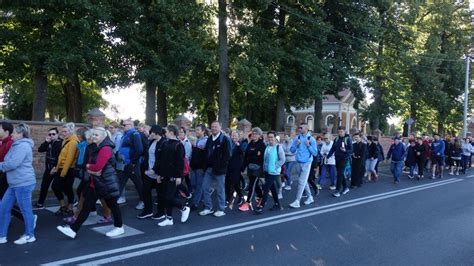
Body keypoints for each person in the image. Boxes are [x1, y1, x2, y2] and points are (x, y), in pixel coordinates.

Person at [57, 127, 124, 239]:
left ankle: (119, 227)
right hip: (95, 182)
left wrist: (89, 167)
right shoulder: (94, 147)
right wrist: (91, 168)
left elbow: (97, 166)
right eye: (93, 134)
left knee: (113, 205)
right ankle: (73, 230)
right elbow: (89, 165)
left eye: (96, 135)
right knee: (87, 206)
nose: (93, 137)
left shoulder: (106, 148)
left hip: (106, 183)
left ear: (103, 137)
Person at [0, 123, 37, 244]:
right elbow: (8, 161)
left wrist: (1, 165)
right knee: (4, 208)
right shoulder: (17, 145)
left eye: (15, 132)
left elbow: (12, 163)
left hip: (23, 183)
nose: (12, 134)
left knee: (25, 210)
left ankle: (29, 235)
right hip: (14, 183)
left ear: (21, 134)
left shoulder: (23, 146)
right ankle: (2, 236)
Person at [154, 124, 190, 226]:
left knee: (169, 197)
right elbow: (162, 161)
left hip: (174, 175)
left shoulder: (179, 145)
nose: (164, 133)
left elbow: (180, 162)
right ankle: (169, 218)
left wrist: (179, 176)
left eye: (166, 131)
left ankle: (184, 208)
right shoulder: (165, 143)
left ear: (171, 132)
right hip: (165, 174)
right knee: (165, 197)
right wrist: (160, 174)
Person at [199, 121, 232, 217]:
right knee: (205, 187)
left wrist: (221, 165)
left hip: (220, 170)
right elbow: (206, 153)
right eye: (212, 127)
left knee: (220, 189)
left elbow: (228, 155)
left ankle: (221, 209)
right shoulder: (209, 139)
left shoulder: (225, 139)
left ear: (220, 127)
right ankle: (208, 207)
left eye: (215, 127)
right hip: (209, 168)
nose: (213, 128)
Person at [137, 125, 167, 219]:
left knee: (160, 193)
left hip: (158, 173)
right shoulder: (151, 142)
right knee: (145, 190)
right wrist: (146, 168)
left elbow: (162, 160)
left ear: (157, 133)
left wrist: (155, 170)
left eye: (152, 132)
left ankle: (161, 212)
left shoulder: (164, 143)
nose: (150, 134)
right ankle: (148, 211)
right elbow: (148, 156)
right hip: (149, 172)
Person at [51, 122, 79, 217]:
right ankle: (63, 206)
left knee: (67, 188)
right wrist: (56, 168)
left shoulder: (73, 142)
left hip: (68, 169)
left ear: (71, 131)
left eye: (65, 131)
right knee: (56, 187)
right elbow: (61, 157)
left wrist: (63, 173)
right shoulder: (65, 140)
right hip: (62, 168)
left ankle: (70, 208)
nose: (63, 133)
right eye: (62, 131)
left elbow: (69, 159)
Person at [254, 131, 285, 214]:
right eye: (269, 137)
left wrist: (275, 166)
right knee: (273, 189)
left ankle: (261, 206)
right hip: (267, 171)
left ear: (275, 138)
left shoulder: (279, 147)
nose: (270, 138)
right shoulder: (267, 147)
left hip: (274, 172)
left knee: (266, 187)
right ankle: (277, 204)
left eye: (272, 137)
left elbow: (282, 159)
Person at [288, 123, 318, 208]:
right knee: (303, 182)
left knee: (301, 182)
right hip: (298, 162)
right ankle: (310, 197)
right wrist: (296, 145)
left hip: (307, 163)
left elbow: (315, 153)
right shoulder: (297, 138)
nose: (299, 129)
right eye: (299, 127)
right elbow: (292, 150)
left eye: (301, 128)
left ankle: (297, 201)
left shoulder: (311, 139)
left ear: (306, 128)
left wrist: (308, 146)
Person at [117, 119, 144, 209]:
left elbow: (139, 149)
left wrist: (133, 161)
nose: (123, 126)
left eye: (124, 125)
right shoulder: (125, 135)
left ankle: (143, 201)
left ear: (130, 125)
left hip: (131, 164)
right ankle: (118, 198)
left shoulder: (134, 134)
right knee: (120, 181)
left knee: (138, 182)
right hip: (123, 164)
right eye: (122, 125)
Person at [34, 128, 63, 209]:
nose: (51, 136)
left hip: (57, 169)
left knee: (58, 187)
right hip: (48, 168)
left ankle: (65, 203)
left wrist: (55, 168)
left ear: (57, 134)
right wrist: (46, 142)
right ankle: (40, 203)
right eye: (50, 134)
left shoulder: (60, 143)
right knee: (44, 185)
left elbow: (60, 157)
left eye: (53, 134)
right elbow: (40, 150)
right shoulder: (49, 142)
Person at [239, 127, 266, 212]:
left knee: (252, 185)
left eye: (256, 134)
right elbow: (246, 157)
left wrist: (256, 155)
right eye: (253, 133)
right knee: (256, 185)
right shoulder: (250, 144)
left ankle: (247, 203)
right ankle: (261, 197)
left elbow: (262, 157)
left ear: (259, 135)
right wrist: (242, 168)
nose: (254, 135)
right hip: (250, 167)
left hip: (258, 168)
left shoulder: (262, 145)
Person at [327, 126, 353, 198]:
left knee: (339, 174)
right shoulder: (337, 139)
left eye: (341, 132)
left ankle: (337, 191)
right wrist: (328, 156)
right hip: (337, 158)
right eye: (339, 132)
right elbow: (333, 148)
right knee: (340, 174)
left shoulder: (348, 139)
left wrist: (345, 150)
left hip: (344, 158)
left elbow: (351, 150)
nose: (340, 133)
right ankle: (345, 188)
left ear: (345, 131)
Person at [189, 124, 208, 211]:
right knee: (193, 184)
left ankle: (195, 203)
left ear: (203, 131)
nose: (196, 131)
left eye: (198, 130)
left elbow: (205, 152)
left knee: (198, 185)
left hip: (200, 167)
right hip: (193, 166)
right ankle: (204, 196)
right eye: (196, 130)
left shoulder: (206, 140)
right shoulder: (196, 140)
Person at [226, 131, 246, 208]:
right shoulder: (229, 144)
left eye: (236, 136)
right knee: (234, 183)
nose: (234, 137)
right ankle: (241, 196)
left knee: (232, 182)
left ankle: (228, 199)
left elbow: (242, 152)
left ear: (238, 137)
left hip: (237, 167)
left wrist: (238, 146)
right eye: (233, 136)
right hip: (229, 166)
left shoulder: (240, 144)